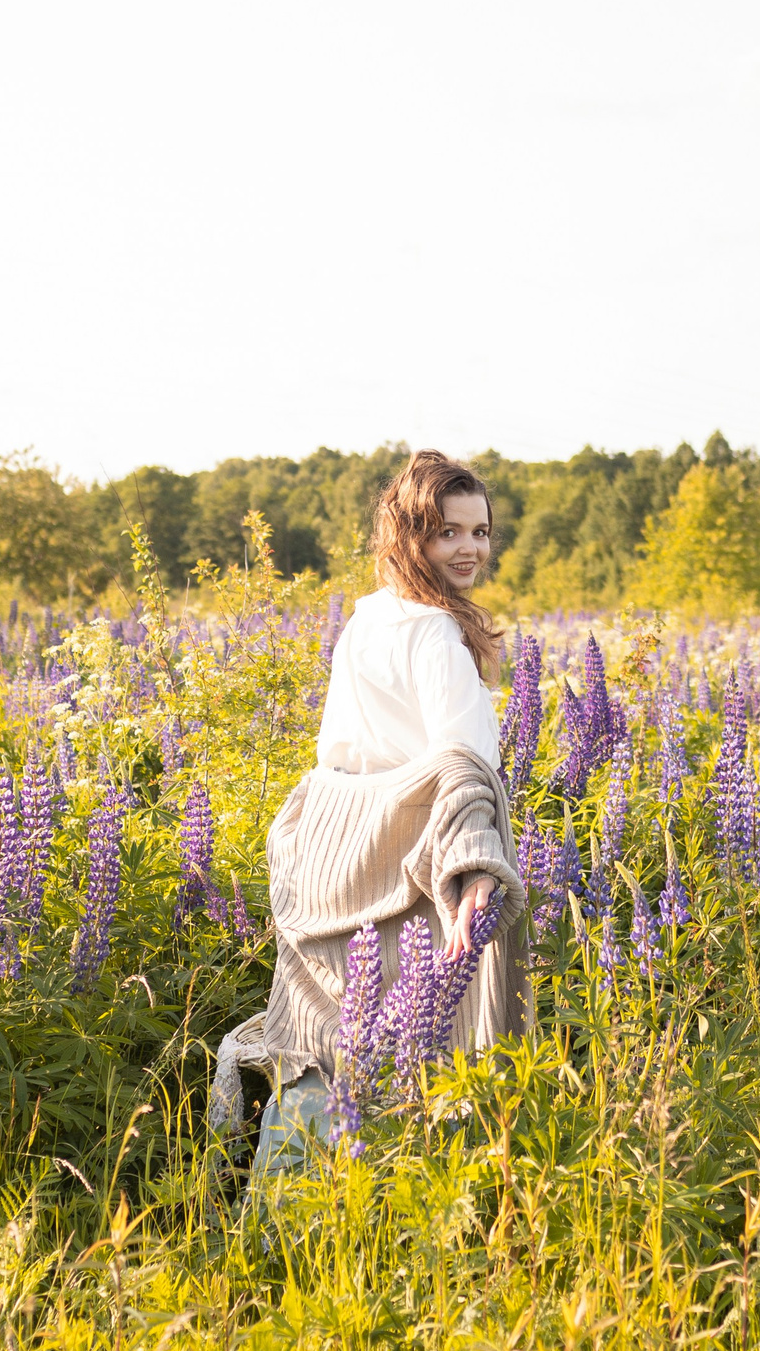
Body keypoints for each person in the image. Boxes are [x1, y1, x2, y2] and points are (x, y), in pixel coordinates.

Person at [206, 449, 529, 1181]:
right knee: (409, 1047)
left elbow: (336, 748)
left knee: (320, 1048)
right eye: (448, 532)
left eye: (480, 531)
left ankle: (271, 1227)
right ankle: (388, 1215)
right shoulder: (436, 636)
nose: (471, 547)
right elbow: (464, 764)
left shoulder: (367, 621)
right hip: (401, 860)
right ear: (410, 535)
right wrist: (476, 865)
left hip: (329, 854)